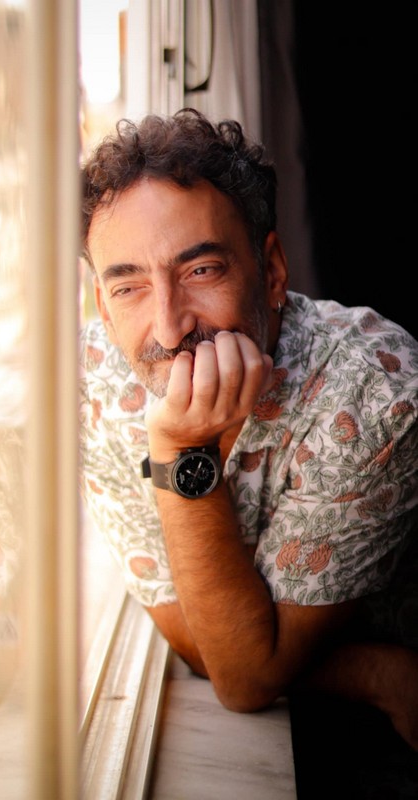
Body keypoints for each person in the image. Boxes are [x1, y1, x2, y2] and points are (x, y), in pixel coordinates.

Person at [78, 108, 418, 793]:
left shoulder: (376, 392)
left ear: (270, 270)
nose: (168, 326)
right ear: (102, 305)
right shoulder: (95, 388)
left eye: (200, 269)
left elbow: (244, 679)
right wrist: (367, 672)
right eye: (129, 286)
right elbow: (202, 644)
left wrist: (181, 449)